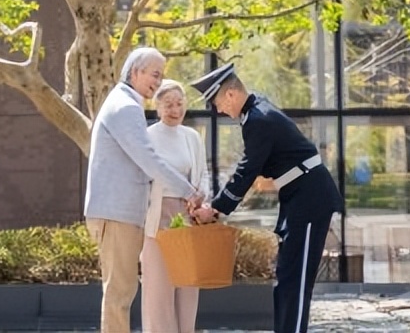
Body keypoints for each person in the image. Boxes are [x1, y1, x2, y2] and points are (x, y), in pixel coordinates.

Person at [190, 63, 343, 333]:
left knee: (294, 280)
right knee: (286, 277)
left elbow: (246, 171)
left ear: (231, 95)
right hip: (297, 198)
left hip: (309, 199)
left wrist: (215, 209)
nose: (218, 110)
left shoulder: (258, 120)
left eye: (217, 103)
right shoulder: (257, 111)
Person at [84, 47, 204, 333]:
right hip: (117, 215)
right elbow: (150, 160)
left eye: (161, 75)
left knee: (121, 293)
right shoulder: (125, 107)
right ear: (135, 72)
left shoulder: (125, 103)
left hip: (121, 214)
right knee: (119, 295)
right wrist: (189, 192)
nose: (158, 82)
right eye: (154, 74)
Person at [140, 79, 209, 333]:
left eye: (179, 104)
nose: (175, 110)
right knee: (159, 289)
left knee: (188, 286)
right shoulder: (147, 137)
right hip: (158, 218)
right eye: (168, 104)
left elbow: (203, 174)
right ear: (157, 106)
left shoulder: (191, 137)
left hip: (188, 217)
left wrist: (201, 194)